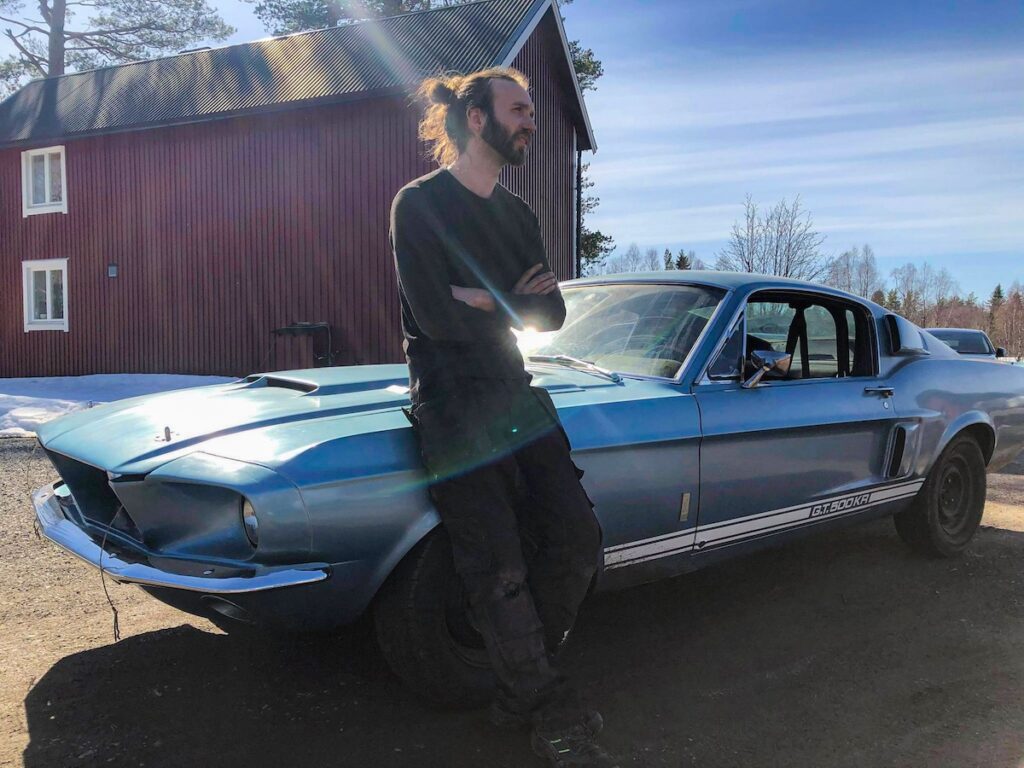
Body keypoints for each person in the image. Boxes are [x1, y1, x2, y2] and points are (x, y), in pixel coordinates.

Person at [389, 66, 620, 768]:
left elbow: (551, 314)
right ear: (479, 119)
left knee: (577, 539)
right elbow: (432, 317)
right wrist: (507, 300)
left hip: (516, 392)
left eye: (531, 111)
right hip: (452, 401)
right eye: (519, 109)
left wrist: (487, 300)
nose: (531, 121)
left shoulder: (517, 216)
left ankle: (523, 685)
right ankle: (546, 704)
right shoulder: (420, 204)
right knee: (496, 565)